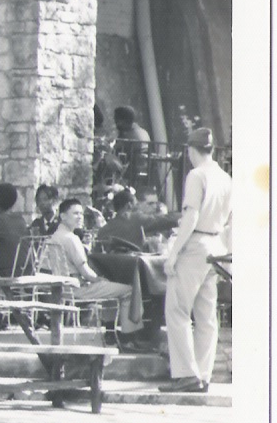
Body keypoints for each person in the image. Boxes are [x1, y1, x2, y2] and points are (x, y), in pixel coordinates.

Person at [159, 128, 231, 393]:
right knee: (206, 315)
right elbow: (231, 222)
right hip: (216, 244)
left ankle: (186, 374)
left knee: (177, 310)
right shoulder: (225, 178)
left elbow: (190, 216)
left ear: (191, 150)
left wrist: (174, 252)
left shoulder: (196, 175)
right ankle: (203, 373)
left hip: (196, 243)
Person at [40, 198, 141, 344]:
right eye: (75, 214)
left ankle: (110, 332)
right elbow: (86, 272)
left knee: (110, 288)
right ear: (62, 216)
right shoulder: (71, 239)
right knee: (127, 290)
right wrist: (99, 279)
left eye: (81, 214)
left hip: (61, 288)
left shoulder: (54, 237)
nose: (80, 217)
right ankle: (128, 336)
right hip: (76, 289)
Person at [96, 189, 179, 253]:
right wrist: (186, 214)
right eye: (136, 205)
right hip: (135, 268)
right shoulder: (136, 219)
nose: (138, 208)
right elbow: (163, 221)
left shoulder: (103, 230)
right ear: (129, 205)